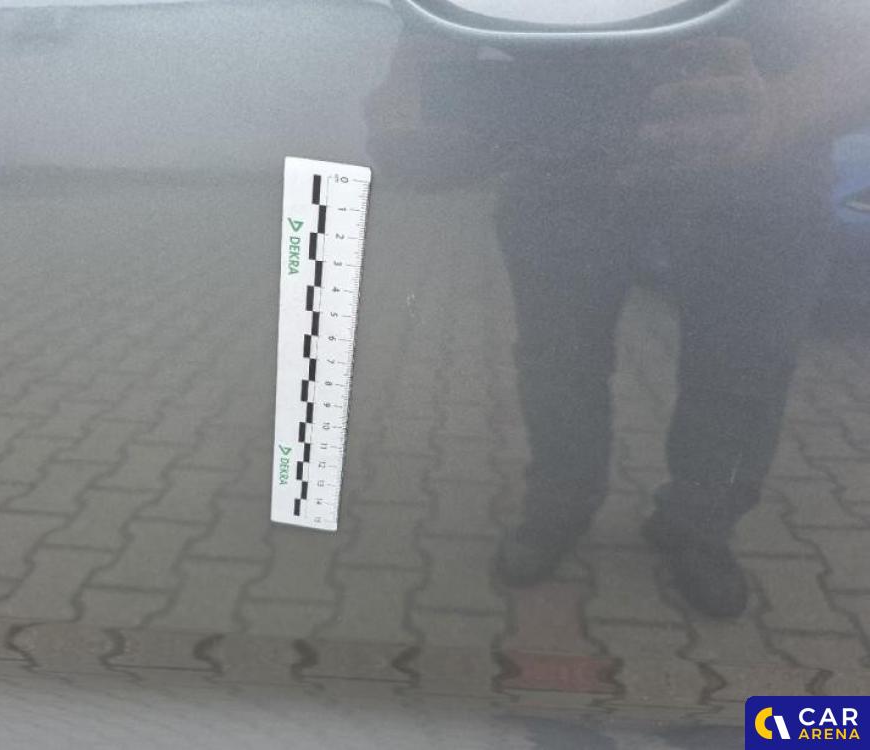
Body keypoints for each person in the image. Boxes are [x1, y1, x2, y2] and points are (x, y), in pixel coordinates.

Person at [366, 1, 870, 617]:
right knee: (559, 362)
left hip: (763, 177)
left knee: (744, 374)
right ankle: (561, 505)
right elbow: (419, 68)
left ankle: (697, 526)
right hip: (566, 171)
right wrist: (408, 131)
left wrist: (781, 114)